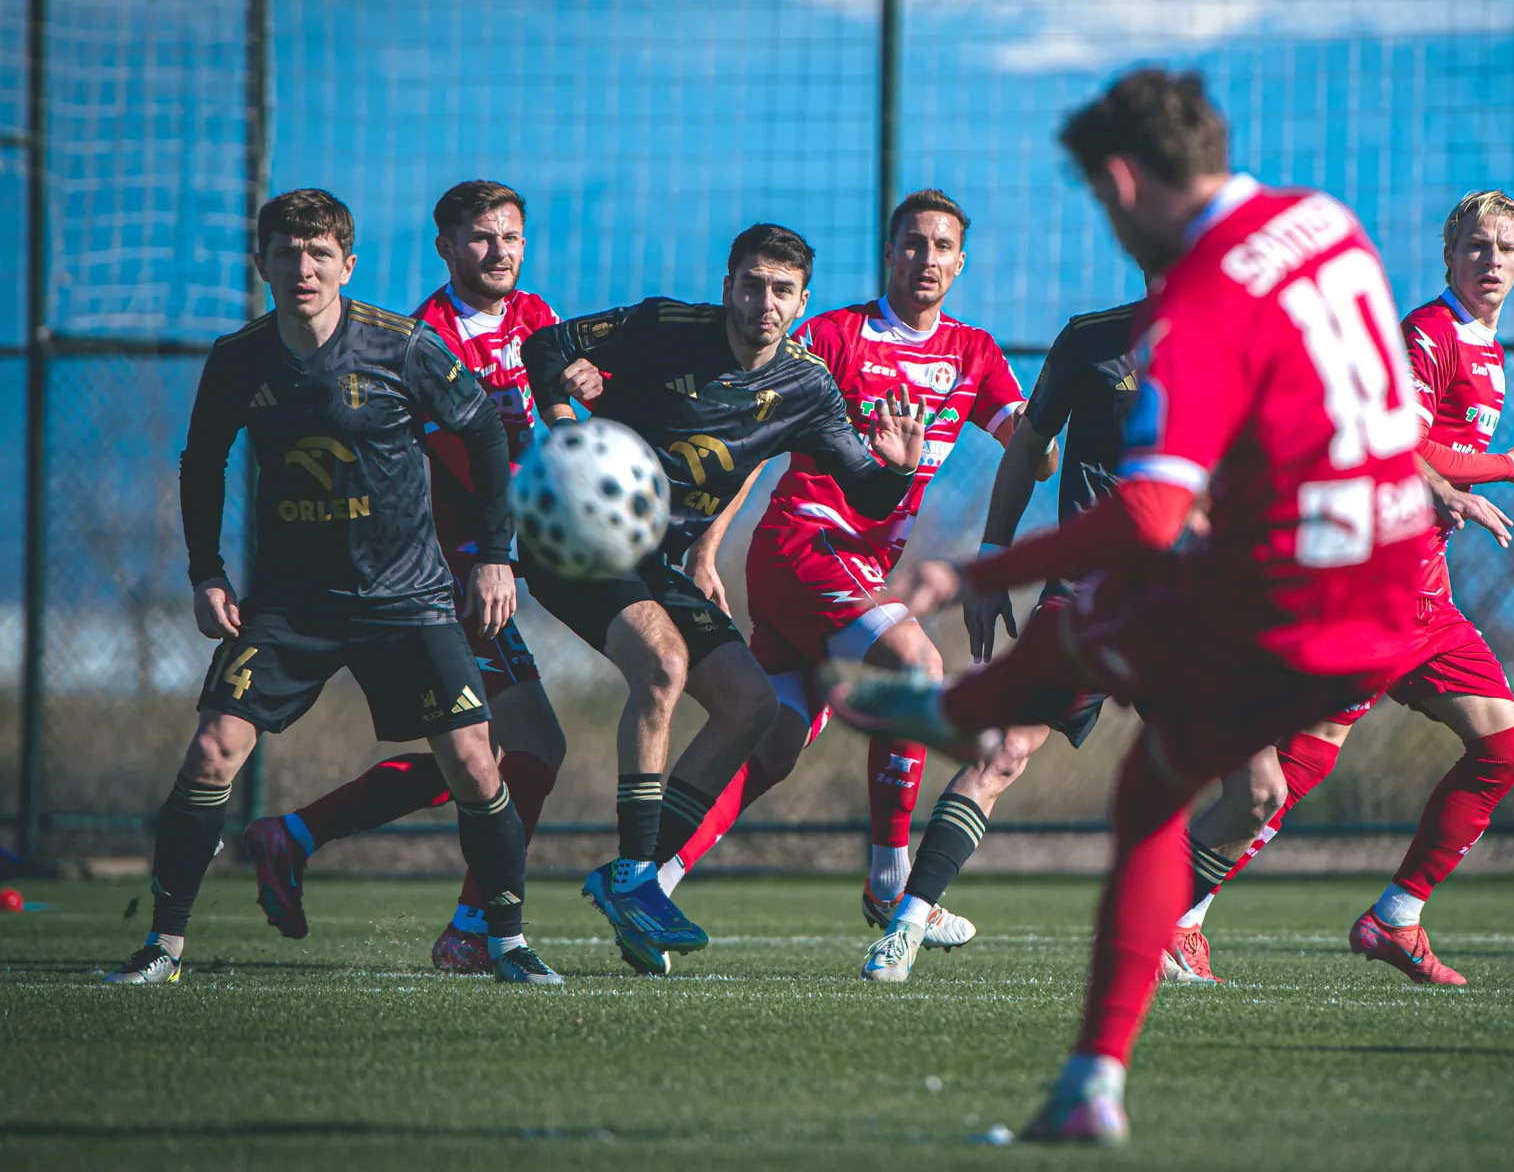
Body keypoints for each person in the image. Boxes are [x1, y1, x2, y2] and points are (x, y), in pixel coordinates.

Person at [830, 68, 1429, 1143]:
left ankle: (961, 707)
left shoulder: (1196, 308)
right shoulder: (1326, 223)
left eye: (1099, 204)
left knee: (1100, 631)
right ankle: (1091, 1081)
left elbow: (1149, 512)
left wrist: (973, 572)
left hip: (1290, 590)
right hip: (1392, 595)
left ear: (1120, 181)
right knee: (1162, 775)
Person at [108, 188, 559, 987]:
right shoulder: (239, 358)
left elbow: (485, 431)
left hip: (409, 598)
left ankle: (507, 945)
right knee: (212, 752)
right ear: (263, 264)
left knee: (474, 763)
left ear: (347, 266)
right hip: (289, 605)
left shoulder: (402, 347)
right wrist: (206, 572)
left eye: (320, 254)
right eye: (288, 253)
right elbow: (202, 462)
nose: (303, 269)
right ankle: (162, 949)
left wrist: (496, 556)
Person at [651, 190, 1057, 983]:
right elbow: (753, 442)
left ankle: (649, 884)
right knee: (918, 666)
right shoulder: (835, 336)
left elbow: (1031, 455)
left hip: (856, 575)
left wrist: (1049, 424)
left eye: (942, 246)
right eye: (913, 243)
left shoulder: (974, 353)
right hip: (804, 544)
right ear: (889, 252)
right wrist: (706, 545)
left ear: (961, 263)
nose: (927, 258)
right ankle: (890, 879)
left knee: (773, 741)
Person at [517, 222, 928, 975]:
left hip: (655, 563)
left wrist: (898, 469)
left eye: (781, 291)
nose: (764, 303)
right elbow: (546, 344)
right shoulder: (665, 325)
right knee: (665, 666)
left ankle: (636, 884)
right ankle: (634, 877)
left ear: (801, 303)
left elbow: (868, 493)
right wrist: (568, 427)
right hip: (580, 543)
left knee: (752, 705)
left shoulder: (807, 387)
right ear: (728, 286)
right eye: (751, 285)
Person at [1168, 190, 1514, 987]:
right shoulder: (1429, 333)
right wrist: (1503, 467)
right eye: (1476, 246)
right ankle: (1177, 912)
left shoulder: (1486, 347)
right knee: (1299, 764)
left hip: (1427, 594)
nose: (1490, 261)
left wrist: (1453, 493)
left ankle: (1396, 917)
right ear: (1449, 255)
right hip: (1375, 584)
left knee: (1504, 750)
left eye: (1506, 249)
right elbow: (1398, 442)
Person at [240, 180, 576, 975]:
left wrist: (576, 413)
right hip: (444, 571)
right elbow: (464, 460)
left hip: (494, 557)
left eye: (512, 237)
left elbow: (560, 408)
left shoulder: (536, 317)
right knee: (526, 745)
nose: (500, 251)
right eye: (482, 238)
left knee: (486, 753)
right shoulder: (426, 339)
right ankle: (473, 928)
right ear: (446, 248)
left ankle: (293, 835)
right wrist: (524, 524)